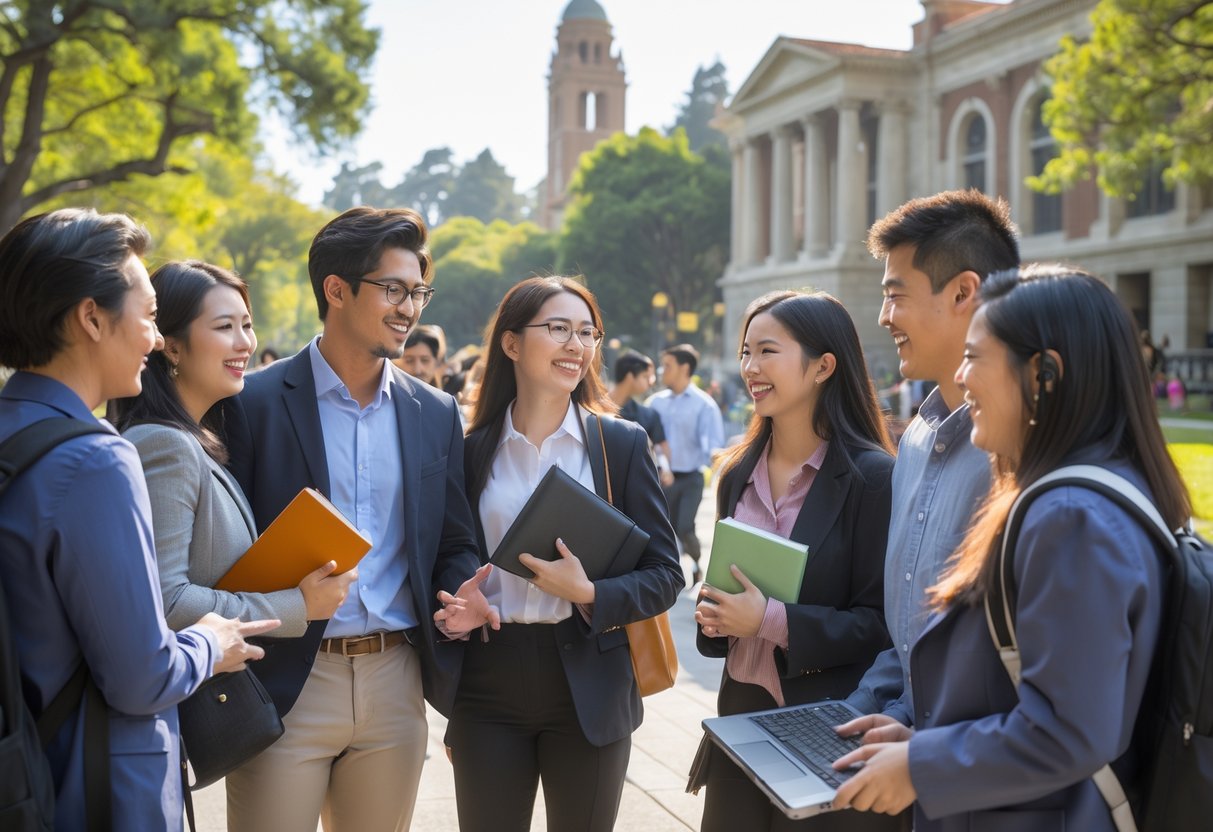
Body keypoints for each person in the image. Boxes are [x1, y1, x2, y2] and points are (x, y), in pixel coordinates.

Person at [832, 264, 1188, 830]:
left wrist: (921, 765)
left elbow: (1067, 730)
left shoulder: (1071, 518)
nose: (962, 377)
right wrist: (923, 737)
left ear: (1044, 373)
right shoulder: (1093, 492)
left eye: (975, 357)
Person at [219, 206, 494, 832]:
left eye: (417, 291)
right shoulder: (253, 403)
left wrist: (462, 591)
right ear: (335, 290)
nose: (409, 308)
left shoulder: (435, 411)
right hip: (287, 674)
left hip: (396, 680)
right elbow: (227, 547)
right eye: (392, 289)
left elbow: (451, 537)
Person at [0, 208, 275, 830]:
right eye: (149, 316)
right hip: (96, 790)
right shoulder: (94, 459)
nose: (155, 339)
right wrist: (212, 641)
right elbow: (141, 678)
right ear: (91, 318)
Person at [450, 276, 683, 831]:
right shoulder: (469, 449)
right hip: (489, 677)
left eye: (588, 333)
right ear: (510, 343)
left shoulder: (619, 444)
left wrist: (590, 593)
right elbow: (451, 552)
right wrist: (457, 601)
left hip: (589, 677)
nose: (577, 346)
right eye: (558, 329)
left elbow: (666, 574)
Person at [110, 261, 354, 715]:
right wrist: (298, 604)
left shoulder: (194, 439)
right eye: (224, 327)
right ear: (173, 346)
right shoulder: (165, 444)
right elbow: (166, 600)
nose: (245, 343)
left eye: (247, 324)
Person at [693, 291, 898, 832]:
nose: (750, 368)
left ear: (823, 366)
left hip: (824, 731)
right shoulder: (737, 473)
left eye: (767, 351)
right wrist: (716, 612)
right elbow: (730, 594)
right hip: (739, 719)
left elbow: (882, 626)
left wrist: (768, 620)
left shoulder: (872, 479)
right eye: (745, 352)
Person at [841, 190, 1019, 739]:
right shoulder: (915, 439)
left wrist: (925, 752)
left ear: (965, 291)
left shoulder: (1018, 450)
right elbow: (908, 640)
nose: (883, 316)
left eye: (896, 295)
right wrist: (860, 715)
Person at [647, 343, 725, 584]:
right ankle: (668, 575)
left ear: (685, 368)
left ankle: (696, 562)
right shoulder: (655, 403)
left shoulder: (704, 405)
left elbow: (714, 446)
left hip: (691, 477)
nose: (662, 371)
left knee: (684, 528)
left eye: (667, 366)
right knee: (663, 529)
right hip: (661, 478)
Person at [610, 349, 673, 479]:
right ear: (630, 376)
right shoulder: (593, 408)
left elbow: (660, 448)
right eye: (645, 376)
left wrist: (666, 469)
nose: (651, 382)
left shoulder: (648, 415)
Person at [394, 322, 446, 386]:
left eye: (425, 360)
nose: (418, 370)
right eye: (409, 361)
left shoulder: (448, 394)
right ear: (395, 362)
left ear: (436, 362)